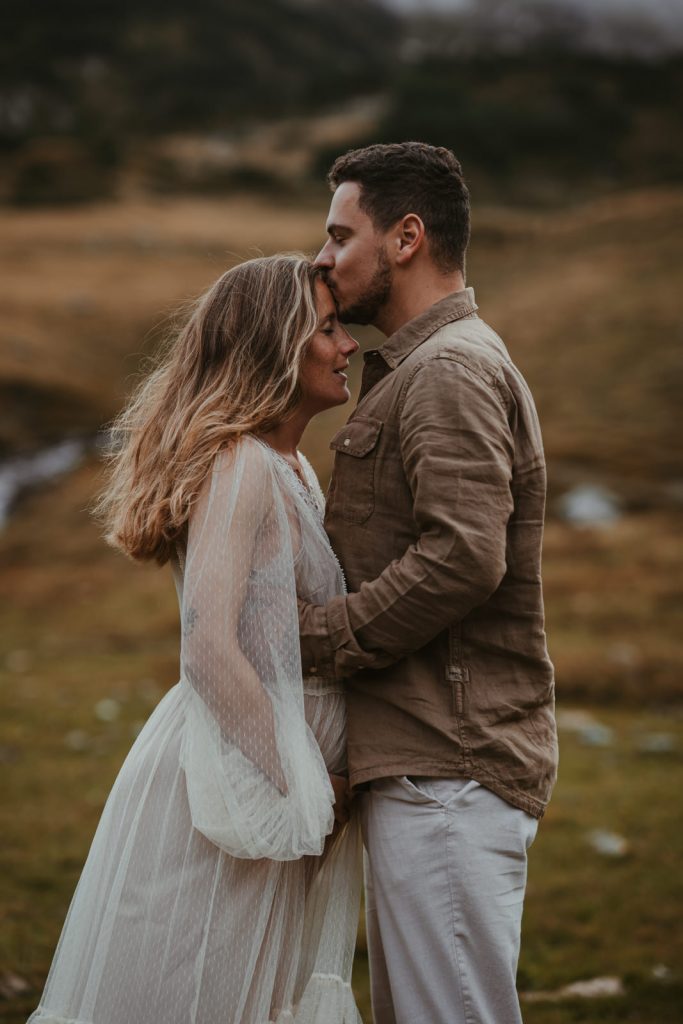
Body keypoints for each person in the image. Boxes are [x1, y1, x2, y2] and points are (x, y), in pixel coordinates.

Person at [27, 255, 365, 1024]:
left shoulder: (292, 469)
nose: (347, 346)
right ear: (277, 346)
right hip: (234, 786)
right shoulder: (243, 465)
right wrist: (303, 787)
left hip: (272, 792)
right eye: (328, 328)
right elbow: (209, 645)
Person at [298, 142, 559, 1023]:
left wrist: (317, 639)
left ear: (406, 237)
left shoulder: (447, 371)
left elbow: (462, 556)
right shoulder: (423, 368)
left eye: (340, 235)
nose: (322, 260)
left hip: (448, 770)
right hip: (425, 767)